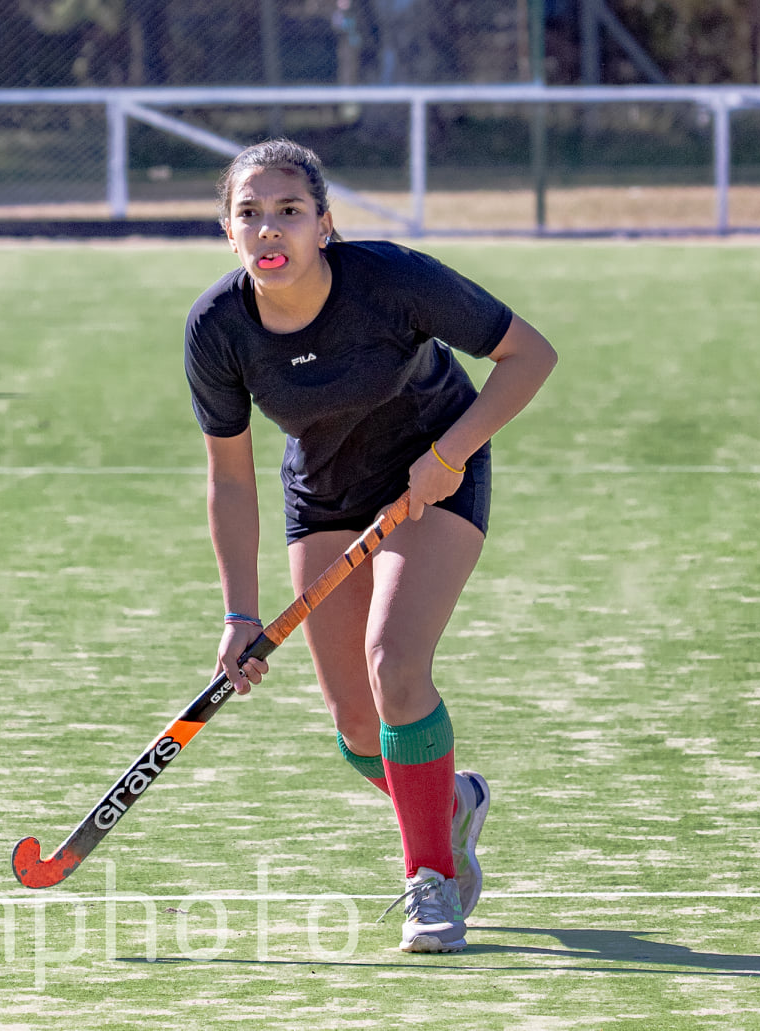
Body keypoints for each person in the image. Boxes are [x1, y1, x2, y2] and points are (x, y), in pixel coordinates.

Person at [185, 139, 557, 954]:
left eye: (288, 211)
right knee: (357, 724)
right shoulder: (217, 329)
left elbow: (529, 355)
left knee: (394, 666)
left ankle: (430, 879)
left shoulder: (393, 279)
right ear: (227, 230)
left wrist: (448, 454)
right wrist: (237, 612)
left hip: (435, 465)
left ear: (324, 224)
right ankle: (451, 802)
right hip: (324, 494)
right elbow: (231, 478)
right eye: (248, 214)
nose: (268, 229)